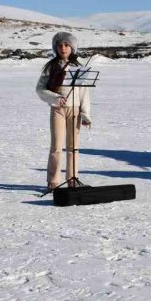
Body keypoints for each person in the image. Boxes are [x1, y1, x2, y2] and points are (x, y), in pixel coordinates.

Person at [36, 31, 92, 190]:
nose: (63, 48)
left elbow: (84, 93)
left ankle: (72, 179)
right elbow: (40, 89)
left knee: (73, 147)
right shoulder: (51, 66)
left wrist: (86, 114)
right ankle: (53, 180)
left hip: (74, 111)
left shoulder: (78, 67)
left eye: (66, 45)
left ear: (72, 47)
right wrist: (55, 98)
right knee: (56, 146)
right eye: (60, 45)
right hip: (58, 110)